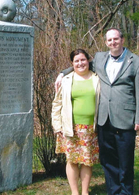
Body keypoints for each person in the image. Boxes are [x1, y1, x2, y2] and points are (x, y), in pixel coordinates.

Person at [55, 28, 139, 195]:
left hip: (125, 118)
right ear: (106, 42)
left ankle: (126, 192)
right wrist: (63, 73)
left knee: (125, 162)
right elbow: (81, 65)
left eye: (116, 39)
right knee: (108, 161)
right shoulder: (100, 58)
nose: (113, 42)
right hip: (103, 120)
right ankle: (113, 191)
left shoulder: (136, 62)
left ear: (122, 39)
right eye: (109, 40)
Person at [52, 49, 100, 195]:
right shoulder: (66, 80)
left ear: (88, 61)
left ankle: (85, 191)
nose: (80, 63)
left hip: (91, 128)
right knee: (72, 160)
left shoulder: (97, 78)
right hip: (70, 127)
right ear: (72, 63)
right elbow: (57, 104)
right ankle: (75, 192)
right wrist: (57, 125)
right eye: (76, 61)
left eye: (83, 60)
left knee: (87, 160)